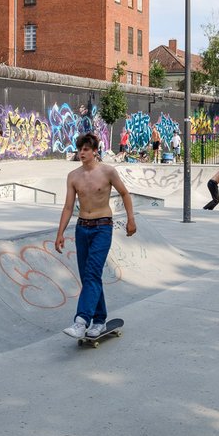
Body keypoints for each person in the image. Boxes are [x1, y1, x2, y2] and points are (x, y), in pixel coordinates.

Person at [54, 133, 137, 339]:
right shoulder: (73, 176)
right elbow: (67, 206)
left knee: (92, 273)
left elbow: (125, 193)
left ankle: (81, 320)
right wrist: (60, 233)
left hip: (102, 227)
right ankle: (99, 320)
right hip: (82, 228)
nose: (81, 153)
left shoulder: (108, 172)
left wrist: (130, 219)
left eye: (85, 149)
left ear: (94, 151)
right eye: (79, 149)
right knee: (88, 277)